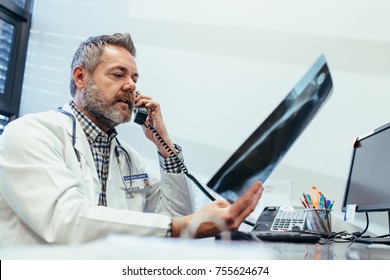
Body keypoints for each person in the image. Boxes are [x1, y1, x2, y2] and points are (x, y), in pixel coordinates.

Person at [0, 33, 263, 246]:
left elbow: (178, 214)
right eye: (118, 74)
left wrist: (165, 146)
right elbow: (65, 220)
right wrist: (180, 227)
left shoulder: (126, 156)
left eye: (134, 78)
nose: (131, 86)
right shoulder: (30, 133)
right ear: (81, 77)